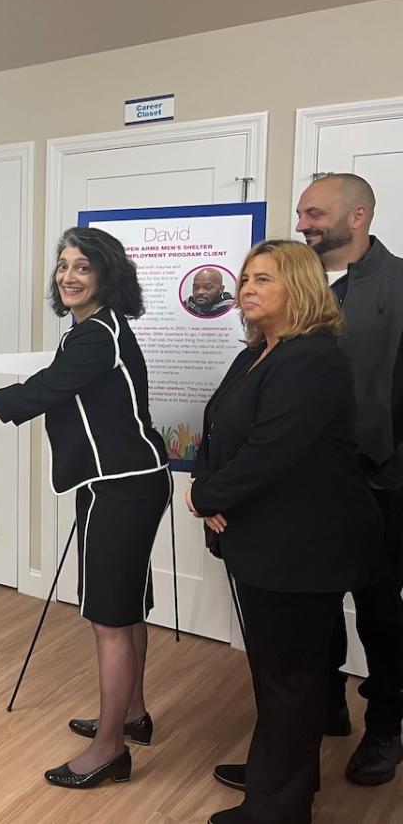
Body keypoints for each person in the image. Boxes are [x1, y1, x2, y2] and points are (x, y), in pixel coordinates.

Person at [0, 227, 170, 789]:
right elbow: (49, 392)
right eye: (63, 266)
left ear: (107, 274)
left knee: (109, 617)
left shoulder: (95, 336)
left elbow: (36, 394)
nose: (68, 276)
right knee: (127, 605)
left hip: (120, 485)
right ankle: (130, 714)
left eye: (82, 266)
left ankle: (110, 749)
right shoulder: (90, 331)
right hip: (126, 480)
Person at [186, 240, 383, 824]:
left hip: (303, 545)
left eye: (263, 279)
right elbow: (217, 429)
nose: (246, 288)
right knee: (277, 672)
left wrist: (206, 495)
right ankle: (278, 768)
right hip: (262, 537)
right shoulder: (254, 356)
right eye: (245, 278)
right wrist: (207, 482)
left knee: (289, 677)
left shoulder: (313, 358)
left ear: (298, 288)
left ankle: (279, 806)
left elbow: (274, 450)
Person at [294, 173, 403, 786]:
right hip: (305, 484)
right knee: (314, 603)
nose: (304, 224)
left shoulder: (401, 283)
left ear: (357, 216)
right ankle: (327, 704)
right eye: (302, 214)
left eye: (315, 214)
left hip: (381, 485)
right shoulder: (296, 283)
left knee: (381, 613)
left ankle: (386, 726)